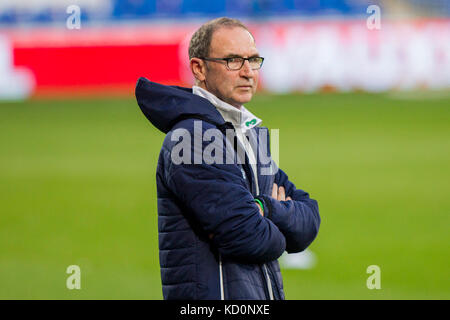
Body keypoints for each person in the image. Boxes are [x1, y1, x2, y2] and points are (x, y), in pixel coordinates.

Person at [135, 17, 320, 300]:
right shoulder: (193, 138)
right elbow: (249, 237)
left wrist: (264, 210)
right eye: (233, 60)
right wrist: (278, 219)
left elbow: (310, 221)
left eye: (253, 59)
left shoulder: (248, 135)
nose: (248, 72)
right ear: (199, 68)